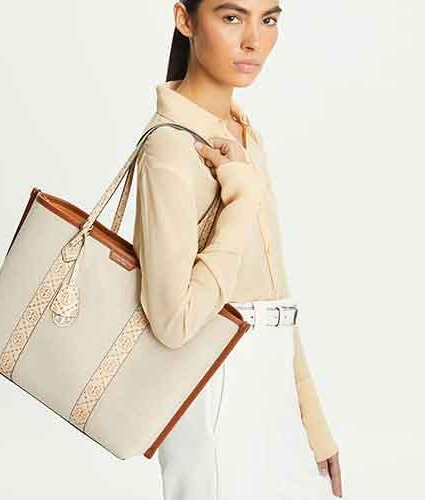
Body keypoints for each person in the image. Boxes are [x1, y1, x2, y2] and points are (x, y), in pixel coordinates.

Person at [132, 1, 343, 498]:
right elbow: (173, 322)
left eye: (268, 20)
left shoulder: (243, 134)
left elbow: (274, 288)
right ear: (185, 20)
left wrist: (311, 420)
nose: (254, 40)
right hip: (216, 387)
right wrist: (242, 202)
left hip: (271, 382)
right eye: (231, 17)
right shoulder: (170, 148)